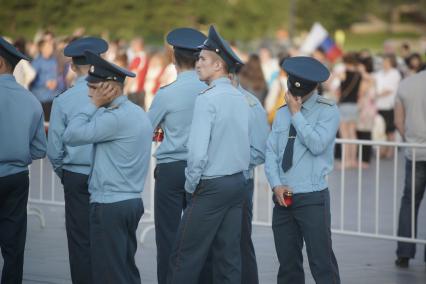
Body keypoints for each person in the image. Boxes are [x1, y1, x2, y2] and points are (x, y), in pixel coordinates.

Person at [167, 25, 250, 284]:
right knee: (228, 259)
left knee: (183, 257)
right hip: (237, 182)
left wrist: (191, 186)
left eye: (202, 59)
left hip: (211, 185)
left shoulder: (207, 99)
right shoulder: (240, 97)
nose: (197, 63)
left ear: (218, 66)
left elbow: (197, 153)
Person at [62, 50, 152, 284]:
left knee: (108, 273)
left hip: (109, 204)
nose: (89, 93)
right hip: (129, 201)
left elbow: (71, 135)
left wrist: (94, 105)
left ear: (110, 89)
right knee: (124, 269)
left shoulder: (114, 118)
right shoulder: (136, 113)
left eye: (94, 88)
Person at [265, 56, 341, 284]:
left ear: (314, 87)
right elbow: (271, 152)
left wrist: (297, 114)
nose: (296, 95)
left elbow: (317, 145)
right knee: (288, 265)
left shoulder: (328, 111)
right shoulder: (280, 113)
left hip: (312, 196)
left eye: (303, 91)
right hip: (283, 197)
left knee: (321, 262)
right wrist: (275, 184)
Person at [147, 27, 207, 284]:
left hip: (171, 167)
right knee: (200, 238)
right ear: (198, 58)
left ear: (173, 58)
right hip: (203, 167)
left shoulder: (166, 93)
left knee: (168, 237)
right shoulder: (209, 90)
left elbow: (146, 128)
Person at [46, 37, 108, 284]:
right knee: (105, 239)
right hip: (104, 174)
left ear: (72, 66)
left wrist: (65, 172)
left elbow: (54, 149)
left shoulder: (64, 100)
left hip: (75, 174)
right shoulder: (109, 95)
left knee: (79, 240)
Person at [0, 36, 47, 284]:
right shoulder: (31, 100)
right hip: (17, 177)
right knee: (13, 247)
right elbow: (40, 149)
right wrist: (17, 153)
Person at [394, 69, 426, 268]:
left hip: (415, 152)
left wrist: (409, 139)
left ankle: (404, 253)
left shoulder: (406, 84)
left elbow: (399, 121)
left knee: (409, 202)